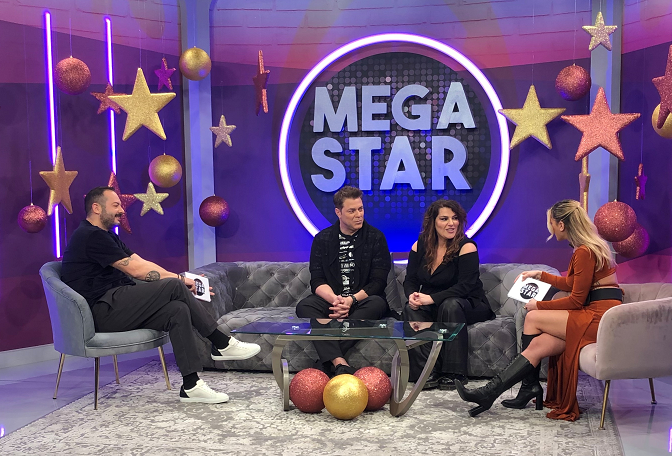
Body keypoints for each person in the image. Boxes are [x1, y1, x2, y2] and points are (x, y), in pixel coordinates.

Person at [60, 187, 261, 404]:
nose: (122, 210)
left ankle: (191, 385)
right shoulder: (90, 236)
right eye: (116, 205)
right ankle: (222, 343)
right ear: (96, 208)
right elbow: (136, 271)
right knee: (174, 286)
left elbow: (142, 263)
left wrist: (180, 278)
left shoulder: (106, 236)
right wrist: (180, 280)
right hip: (101, 311)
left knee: (177, 310)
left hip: (117, 304)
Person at [455, 199, 622, 420]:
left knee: (533, 317)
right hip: (597, 313)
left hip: (600, 318)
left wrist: (539, 305)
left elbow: (576, 300)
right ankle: (489, 394)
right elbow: (572, 283)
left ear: (561, 224)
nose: (550, 228)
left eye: (551, 223)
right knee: (538, 345)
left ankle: (528, 387)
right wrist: (540, 275)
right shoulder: (586, 249)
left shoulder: (584, 252)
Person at [295, 186, 391, 376]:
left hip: (362, 301)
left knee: (377, 304)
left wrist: (351, 300)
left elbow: (378, 282)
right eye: (352, 211)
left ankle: (326, 363)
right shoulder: (322, 239)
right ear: (338, 212)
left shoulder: (376, 237)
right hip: (333, 301)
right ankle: (339, 362)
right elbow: (317, 280)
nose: (359, 215)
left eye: (361, 209)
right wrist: (336, 301)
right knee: (304, 306)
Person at [403, 199, 494, 390]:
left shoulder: (466, 246)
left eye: (455, 218)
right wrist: (412, 295)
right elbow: (410, 280)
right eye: (444, 219)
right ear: (433, 222)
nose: (451, 223)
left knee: (450, 305)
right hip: (435, 304)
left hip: (468, 303)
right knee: (410, 309)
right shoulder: (420, 246)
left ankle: (454, 373)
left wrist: (431, 299)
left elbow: (466, 286)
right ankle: (426, 372)